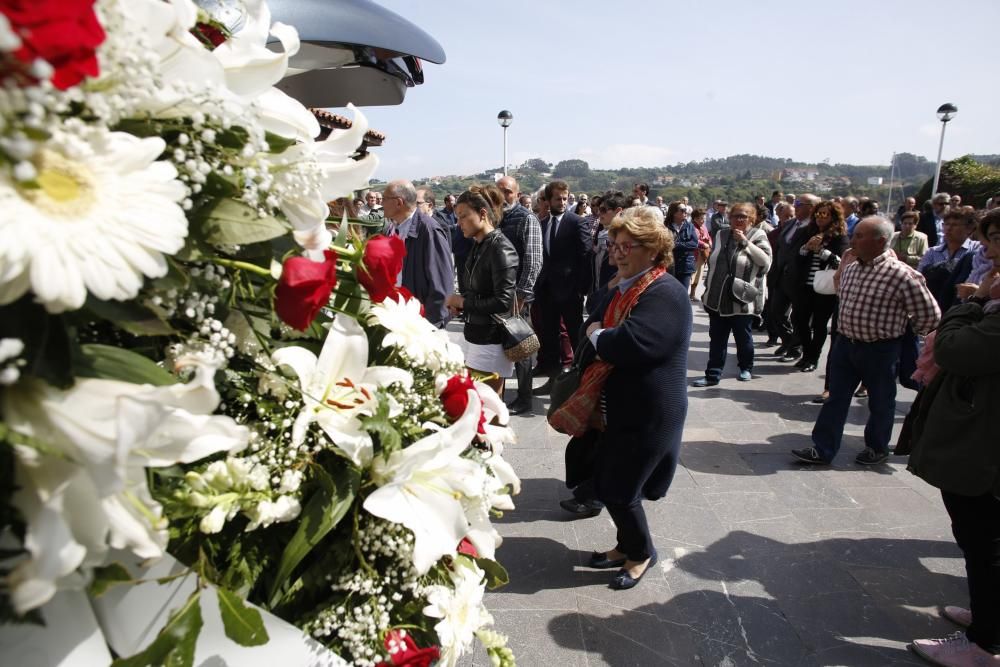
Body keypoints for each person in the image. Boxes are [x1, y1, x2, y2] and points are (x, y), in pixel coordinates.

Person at [548, 205, 691, 590]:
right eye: (614, 243)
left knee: (621, 489)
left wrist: (598, 335)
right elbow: (589, 320)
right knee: (609, 481)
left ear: (654, 250)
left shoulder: (665, 292)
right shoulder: (623, 285)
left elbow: (632, 344)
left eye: (629, 245)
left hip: (649, 413)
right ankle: (624, 545)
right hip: (617, 409)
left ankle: (641, 553)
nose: (617, 252)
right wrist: (596, 329)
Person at [906, 209, 1000, 666]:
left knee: (986, 540)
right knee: (978, 538)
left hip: (984, 440)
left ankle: (986, 644)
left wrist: (975, 302)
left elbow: (954, 346)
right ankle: (988, 616)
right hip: (980, 428)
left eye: (997, 239)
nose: (989, 249)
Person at [792, 216, 940, 466]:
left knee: (881, 401)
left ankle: (877, 447)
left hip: (880, 349)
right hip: (845, 346)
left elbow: (931, 315)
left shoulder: (902, 275)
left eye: (860, 235)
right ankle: (823, 448)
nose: (853, 239)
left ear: (880, 241)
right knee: (836, 399)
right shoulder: (850, 268)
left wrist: (902, 331)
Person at [444, 185, 518, 395]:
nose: (459, 224)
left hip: (491, 340)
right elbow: (479, 289)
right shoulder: (479, 244)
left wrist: (463, 302)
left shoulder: (500, 247)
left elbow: (503, 301)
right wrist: (463, 303)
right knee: (475, 407)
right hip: (474, 334)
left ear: (482, 214)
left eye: (463, 216)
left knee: (488, 412)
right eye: (457, 217)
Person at [693, 202, 772, 386]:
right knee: (717, 339)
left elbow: (766, 262)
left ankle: (746, 367)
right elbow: (714, 259)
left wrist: (745, 242)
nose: (739, 219)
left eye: (743, 216)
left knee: (743, 337)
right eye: (736, 215)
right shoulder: (721, 234)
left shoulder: (758, 234)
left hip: (741, 298)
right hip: (718, 298)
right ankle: (713, 374)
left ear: (751, 218)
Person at [533, 180, 591, 380]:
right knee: (549, 337)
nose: (562, 202)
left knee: (576, 335)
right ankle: (553, 378)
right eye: (558, 198)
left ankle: (582, 376)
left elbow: (585, 255)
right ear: (548, 200)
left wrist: (581, 288)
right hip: (547, 291)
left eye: (565, 198)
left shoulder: (577, 222)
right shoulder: (542, 224)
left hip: (569, 291)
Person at [496, 176, 543, 416]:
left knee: (521, 346)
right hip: (497, 294)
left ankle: (525, 398)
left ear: (516, 193)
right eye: (499, 191)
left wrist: (523, 293)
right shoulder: (495, 218)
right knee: (499, 347)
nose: (503, 196)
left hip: (517, 297)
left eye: (507, 192)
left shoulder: (527, 218)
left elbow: (534, 260)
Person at [382, 180, 455, 327]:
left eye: (384, 199)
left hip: (420, 322)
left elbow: (442, 283)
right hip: (398, 313)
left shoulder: (428, 230)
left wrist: (432, 324)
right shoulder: (392, 229)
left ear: (398, 202)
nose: (381, 203)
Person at [787, 200, 849, 373]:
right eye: (817, 214)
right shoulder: (806, 232)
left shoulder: (840, 236)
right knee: (799, 321)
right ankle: (806, 353)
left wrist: (821, 251)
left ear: (833, 217)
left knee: (819, 325)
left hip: (825, 288)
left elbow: (840, 261)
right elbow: (795, 258)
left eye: (824, 214)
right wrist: (806, 248)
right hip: (804, 286)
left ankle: (813, 357)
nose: (820, 217)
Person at [918, 209, 980, 312]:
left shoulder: (976, 250)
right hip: (933, 304)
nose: (948, 228)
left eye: (955, 225)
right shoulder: (932, 252)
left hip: (960, 306)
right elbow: (920, 278)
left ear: (969, 229)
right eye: (946, 224)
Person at [664, 200, 699, 292]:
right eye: (682, 210)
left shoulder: (689, 226)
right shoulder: (665, 226)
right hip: (669, 266)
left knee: (683, 294)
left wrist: (675, 244)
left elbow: (694, 244)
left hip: (686, 266)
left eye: (686, 210)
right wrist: (683, 245)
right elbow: (664, 244)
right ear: (674, 212)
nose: (685, 212)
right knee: (670, 295)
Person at [690, 207, 712, 301]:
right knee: (691, 276)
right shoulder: (691, 227)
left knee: (698, 276)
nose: (703, 221)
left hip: (702, 255)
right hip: (694, 255)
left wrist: (710, 242)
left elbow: (708, 236)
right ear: (695, 218)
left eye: (704, 218)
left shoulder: (704, 227)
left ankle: (692, 294)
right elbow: (694, 240)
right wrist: (704, 244)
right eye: (701, 218)